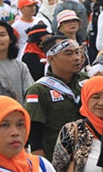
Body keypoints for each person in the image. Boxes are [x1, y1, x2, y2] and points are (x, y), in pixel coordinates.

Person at [24, 35, 89, 164]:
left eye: (77, 52)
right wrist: (42, 166)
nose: (76, 58)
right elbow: (35, 133)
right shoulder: (39, 90)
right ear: (51, 59)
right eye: (68, 54)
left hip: (88, 156)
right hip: (57, 160)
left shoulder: (87, 81)